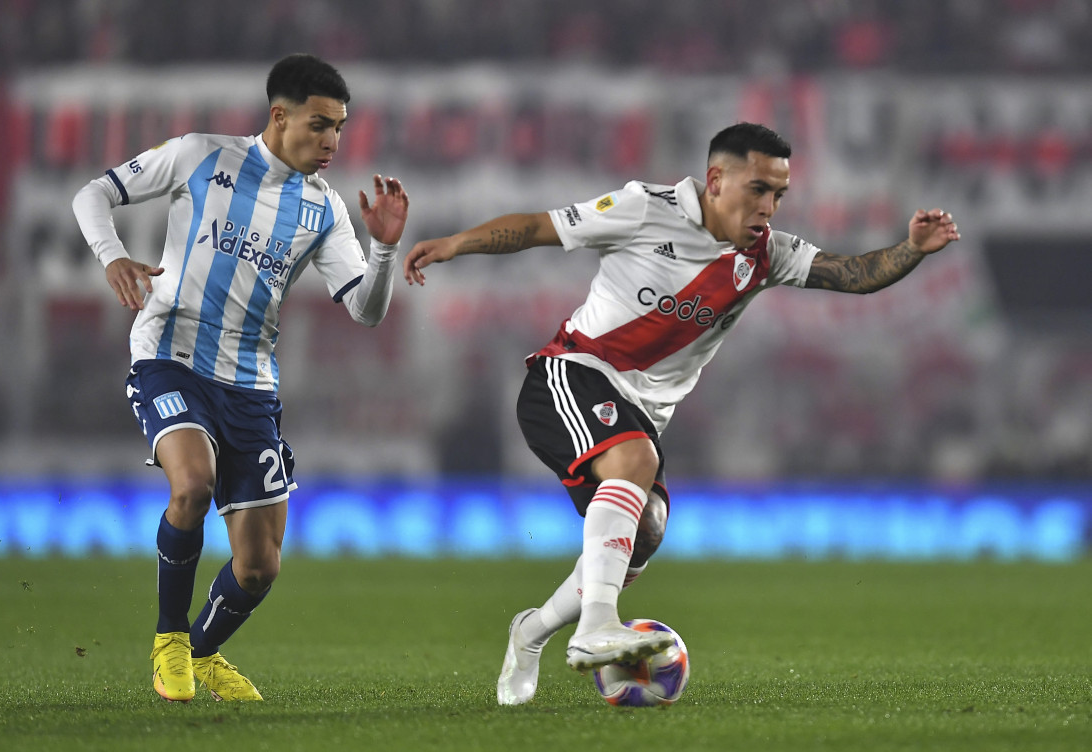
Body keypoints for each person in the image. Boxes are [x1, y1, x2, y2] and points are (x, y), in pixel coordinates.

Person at [402, 122, 960, 705]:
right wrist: (456, 243)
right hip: (569, 373)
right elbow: (539, 227)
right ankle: (596, 628)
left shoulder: (765, 255)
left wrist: (911, 250)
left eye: (778, 194)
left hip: (639, 412)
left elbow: (854, 276)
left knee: (644, 533)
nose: (768, 206)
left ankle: (533, 632)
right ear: (716, 180)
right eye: (758, 188)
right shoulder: (645, 208)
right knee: (634, 459)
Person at [72, 53, 409, 703]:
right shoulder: (201, 156)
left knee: (259, 567)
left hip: (251, 383)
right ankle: (169, 640)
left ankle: (202, 652)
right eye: (319, 125)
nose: (332, 141)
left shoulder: (324, 210)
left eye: (339, 127)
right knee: (191, 486)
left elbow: (365, 310)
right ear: (279, 116)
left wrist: (386, 249)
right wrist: (112, 257)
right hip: (169, 354)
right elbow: (94, 194)